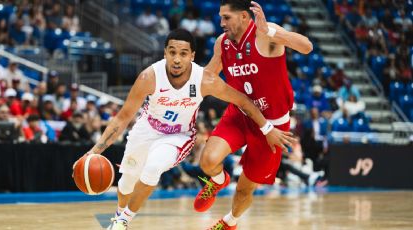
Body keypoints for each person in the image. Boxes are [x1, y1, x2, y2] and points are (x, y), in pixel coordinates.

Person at [74, 28, 295, 230]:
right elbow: (121, 119)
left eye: (183, 53)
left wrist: (267, 128)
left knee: (153, 167)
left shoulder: (204, 80)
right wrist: (93, 152)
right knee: (126, 182)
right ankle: (120, 214)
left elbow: (243, 101)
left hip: (178, 136)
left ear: (192, 56)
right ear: (165, 53)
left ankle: (123, 222)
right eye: (172, 52)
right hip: (147, 129)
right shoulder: (149, 77)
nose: (177, 59)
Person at [192, 1, 313, 229]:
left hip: (273, 126)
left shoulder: (265, 35)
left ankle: (230, 222)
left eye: (227, 17)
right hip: (240, 114)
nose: (221, 23)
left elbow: (306, 47)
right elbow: (207, 76)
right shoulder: (222, 43)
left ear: (244, 17)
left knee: (245, 189)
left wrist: (272, 31)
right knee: (207, 161)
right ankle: (218, 180)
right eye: (220, 17)